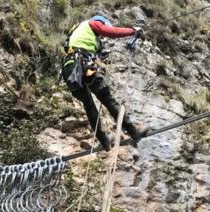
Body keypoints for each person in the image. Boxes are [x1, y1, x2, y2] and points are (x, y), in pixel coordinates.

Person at [62, 15, 149, 151]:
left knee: (88, 105)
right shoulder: (92, 23)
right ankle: (133, 130)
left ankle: (104, 141)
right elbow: (110, 32)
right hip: (83, 65)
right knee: (107, 98)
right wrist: (132, 31)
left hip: (69, 70)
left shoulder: (75, 33)